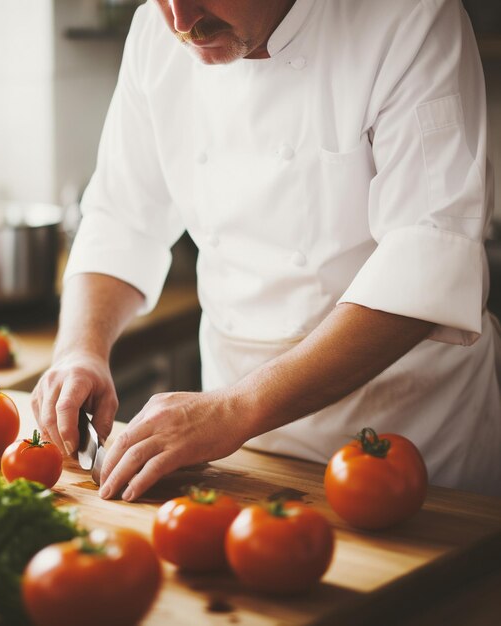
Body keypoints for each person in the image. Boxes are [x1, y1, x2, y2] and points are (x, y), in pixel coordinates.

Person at [31, 0, 501, 500]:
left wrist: (234, 409)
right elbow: (122, 218)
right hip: (237, 451)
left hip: (408, 448)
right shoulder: (155, 34)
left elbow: (425, 259)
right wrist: (81, 349)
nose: (181, 22)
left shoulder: (411, 18)